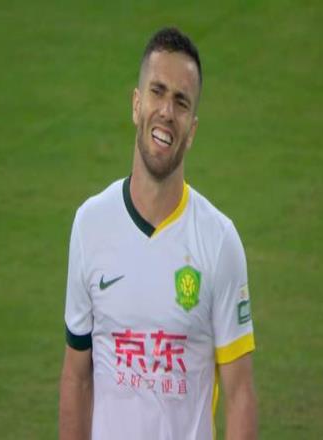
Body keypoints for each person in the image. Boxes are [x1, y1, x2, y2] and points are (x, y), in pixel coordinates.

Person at [59, 27, 257, 440]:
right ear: (136, 104)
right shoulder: (90, 225)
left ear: (193, 129)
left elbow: (239, 393)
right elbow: (77, 377)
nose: (167, 111)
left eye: (181, 102)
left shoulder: (218, 242)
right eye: (157, 92)